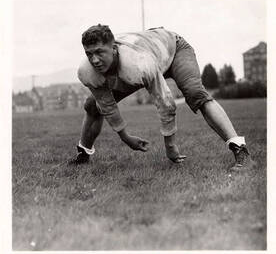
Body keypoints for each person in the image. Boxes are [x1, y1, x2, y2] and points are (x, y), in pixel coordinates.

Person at [69, 24, 255, 171]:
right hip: (149, 51)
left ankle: (241, 151)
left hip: (173, 49)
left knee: (196, 94)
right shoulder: (87, 70)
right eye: (89, 54)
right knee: (92, 105)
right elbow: (106, 105)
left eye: (100, 52)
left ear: (114, 47)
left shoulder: (138, 63)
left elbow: (166, 103)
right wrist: (125, 137)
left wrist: (170, 145)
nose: (94, 60)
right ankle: (83, 154)